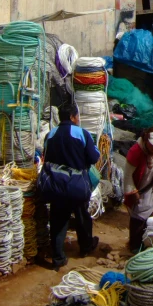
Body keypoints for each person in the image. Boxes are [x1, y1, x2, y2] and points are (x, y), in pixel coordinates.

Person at [44, 102, 100, 270]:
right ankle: (85, 247)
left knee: (58, 220)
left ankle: (58, 257)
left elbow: (46, 157)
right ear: (72, 117)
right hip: (77, 183)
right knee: (82, 215)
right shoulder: (82, 133)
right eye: (77, 116)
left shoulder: (50, 134)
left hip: (56, 184)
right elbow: (94, 157)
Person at [123, 129, 153, 253]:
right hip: (139, 186)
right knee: (137, 216)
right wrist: (133, 191)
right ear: (146, 141)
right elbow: (128, 175)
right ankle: (135, 246)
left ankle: (148, 244)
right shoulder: (135, 152)